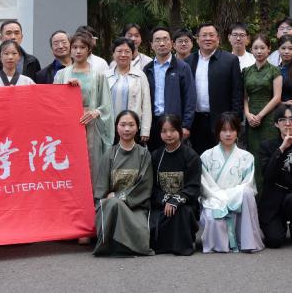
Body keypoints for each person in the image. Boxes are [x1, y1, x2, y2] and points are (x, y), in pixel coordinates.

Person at [199, 112, 264, 253]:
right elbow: (205, 185)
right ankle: (222, 244)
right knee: (213, 218)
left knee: (247, 193)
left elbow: (248, 184)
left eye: (232, 130)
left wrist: (230, 197)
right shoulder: (206, 156)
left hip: (238, 199)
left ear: (237, 132)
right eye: (224, 130)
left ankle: (248, 242)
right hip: (214, 199)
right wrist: (221, 198)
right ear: (217, 132)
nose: (228, 134)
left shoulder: (247, 157)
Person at [93, 111, 153, 256]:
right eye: (123, 125)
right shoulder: (109, 155)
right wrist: (108, 201)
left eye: (131, 125)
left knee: (140, 233)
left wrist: (119, 196)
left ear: (138, 127)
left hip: (135, 207)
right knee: (113, 204)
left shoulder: (144, 154)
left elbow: (145, 186)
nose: (127, 129)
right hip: (111, 207)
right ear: (116, 127)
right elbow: (101, 188)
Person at [54, 32, 113, 180]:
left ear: (89, 50)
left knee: (92, 162)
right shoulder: (61, 75)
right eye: (74, 47)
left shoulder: (99, 75)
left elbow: (106, 104)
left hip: (91, 125)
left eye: (82, 47)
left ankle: (94, 193)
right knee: (70, 161)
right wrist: (67, 89)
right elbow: (54, 102)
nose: (78, 51)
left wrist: (95, 112)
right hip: (69, 125)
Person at [187, 22, 244, 154]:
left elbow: (237, 93)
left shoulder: (230, 60)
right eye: (204, 35)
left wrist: (234, 120)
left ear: (218, 38)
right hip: (196, 121)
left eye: (211, 35)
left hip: (223, 121)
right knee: (200, 157)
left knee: (223, 156)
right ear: (197, 39)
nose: (208, 38)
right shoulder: (189, 61)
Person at [150, 114, 201, 256]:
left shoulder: (191, 156)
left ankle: (181, 245)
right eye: (164, 131)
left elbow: (193, 186)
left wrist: (176, 200)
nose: (168, 135)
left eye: (172, 130)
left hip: (184, 203)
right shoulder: (156, 156)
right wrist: (166, 199)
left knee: (181, 213)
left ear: (180, 131)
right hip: (161, 202)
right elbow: (151, 186)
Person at [258, 104, 292, 248]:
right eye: (283, 120)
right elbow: (268, 174)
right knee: (275, 241)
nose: (288, 123)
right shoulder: (267, 146)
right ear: (276, 124)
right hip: (272, 200)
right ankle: (279, 225)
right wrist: (282, 148)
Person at [143, 26, 197, 152]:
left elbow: (190, 98)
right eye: (157, 40)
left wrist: (186, 126)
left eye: (165, 39)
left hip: (175, 124)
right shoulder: (147, 69)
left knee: (175, 158)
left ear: (172, 43)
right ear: (152, 45)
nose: (162, 43)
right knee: (155, 157)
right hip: (153, 124)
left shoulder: (183, 67)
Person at [242, 34, 282, 188]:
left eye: (262, 48)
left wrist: (260, 115)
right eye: (256, 48)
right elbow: (244, 97)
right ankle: (255, 194)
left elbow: (277, 97)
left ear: (269, 49)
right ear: (251, 50)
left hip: (268, 117)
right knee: (253, 155)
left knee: (268, 154)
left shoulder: (274, 71)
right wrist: (247, 114)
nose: (259, 51)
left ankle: (269, 193)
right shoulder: (246, 71)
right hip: (251, 118)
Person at [107, 37, 152, 143]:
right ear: (113, 54)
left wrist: (145, 130)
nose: (123, 55)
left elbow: (146, 105)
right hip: (109, 128)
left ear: (132, 54)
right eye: (119, 51)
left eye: (127, 51)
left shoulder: (140, 76)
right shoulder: (105, 76)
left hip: (132, 128)